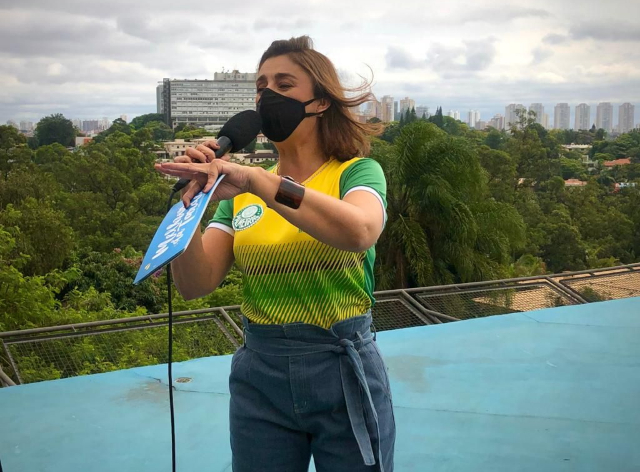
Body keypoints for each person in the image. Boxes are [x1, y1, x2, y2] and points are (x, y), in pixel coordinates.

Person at [155, 36, 395, 472]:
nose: (267, 95)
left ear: (321, 101)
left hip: (340, 364)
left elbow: (360, 231)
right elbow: (195, 284)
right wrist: (191, 206)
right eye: (261, 86)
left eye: (284, 84)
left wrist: (255, 182)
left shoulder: (355, 172)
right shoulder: (238, 192)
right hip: (260, 372)